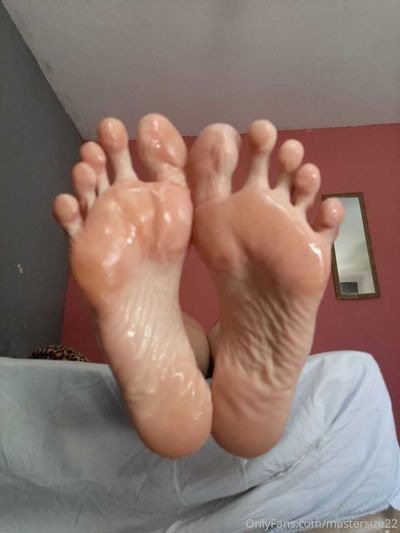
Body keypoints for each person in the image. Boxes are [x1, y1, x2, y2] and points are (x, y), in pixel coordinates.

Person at [53, 113, 345, 459]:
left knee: (188, 332)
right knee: (219, 335)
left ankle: (175, 353)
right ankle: (231, 364)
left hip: (192, 341)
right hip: (235, 347)